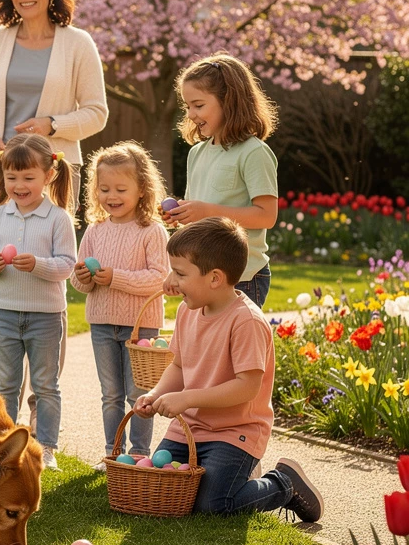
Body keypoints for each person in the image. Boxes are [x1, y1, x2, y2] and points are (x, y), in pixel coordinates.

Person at [0, 0, 108, 403]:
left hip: (55, 175)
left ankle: (46, 400)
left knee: (49, 280)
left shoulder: (77, 43)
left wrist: (53, 125)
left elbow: (97, 112)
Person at [134, 218, 323, 521]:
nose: (173, 281)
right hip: (190, 428)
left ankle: (284, 483)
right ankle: (241, 477)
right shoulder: (187, 311)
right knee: (168, 489)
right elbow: (180, 366)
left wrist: (188, 398)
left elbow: (246, 388)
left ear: (214, 278)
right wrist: (156, 394)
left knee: (213, 506)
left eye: (180, 273)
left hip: (235, 432)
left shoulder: (246, 321)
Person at [0, 134, 77, 471]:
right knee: (5, 383)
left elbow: (66, 265)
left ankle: (45, 446)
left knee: (46, 384)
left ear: (48, 176)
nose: (19, 185)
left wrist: (38, 265)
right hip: (3, 311)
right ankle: (3, 444)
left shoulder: (58, 218)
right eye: (11, 177)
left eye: (28, 178)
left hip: (45, 315)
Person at [69, 142, 170, 470]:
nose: (111, 196)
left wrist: (114, 278)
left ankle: (139, 453)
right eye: (104, 188)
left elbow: (159, 279)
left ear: (142, 189)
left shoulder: (151, 231)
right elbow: (79, 282)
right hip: (101, 324)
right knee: (110, 394)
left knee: (139, 394)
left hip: (141, 326)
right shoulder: (96, 231)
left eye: (121, 189)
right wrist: (83, 275)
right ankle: (113, 452)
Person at [165, 54, 278, 307]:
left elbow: (266, 215)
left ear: (228, 101)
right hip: (202, 277)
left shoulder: (253, 152)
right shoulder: (197, 154)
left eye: (198, 105)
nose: (191, 114)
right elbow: (198, 218)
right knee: (206, 346)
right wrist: (183, 215)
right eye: (187, 106)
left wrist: (207, 212)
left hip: (242, 276)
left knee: (236, 346)